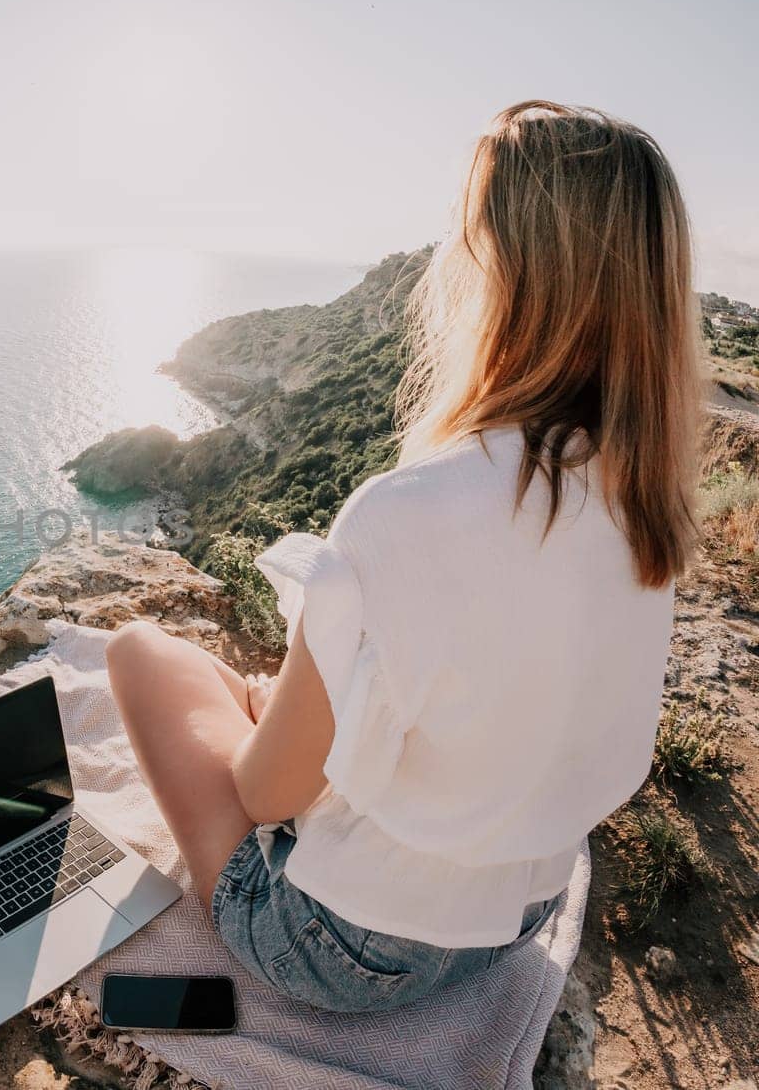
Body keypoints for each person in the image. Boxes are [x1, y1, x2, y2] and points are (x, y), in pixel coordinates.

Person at [105, 100, 704, 1013]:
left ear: (502, 275)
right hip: (517, 915)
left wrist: (291, 734)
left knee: (143, 654)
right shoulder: (650, 508)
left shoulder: (410, 514)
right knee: (284, 702)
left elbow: (265, 796)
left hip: (348, 953)